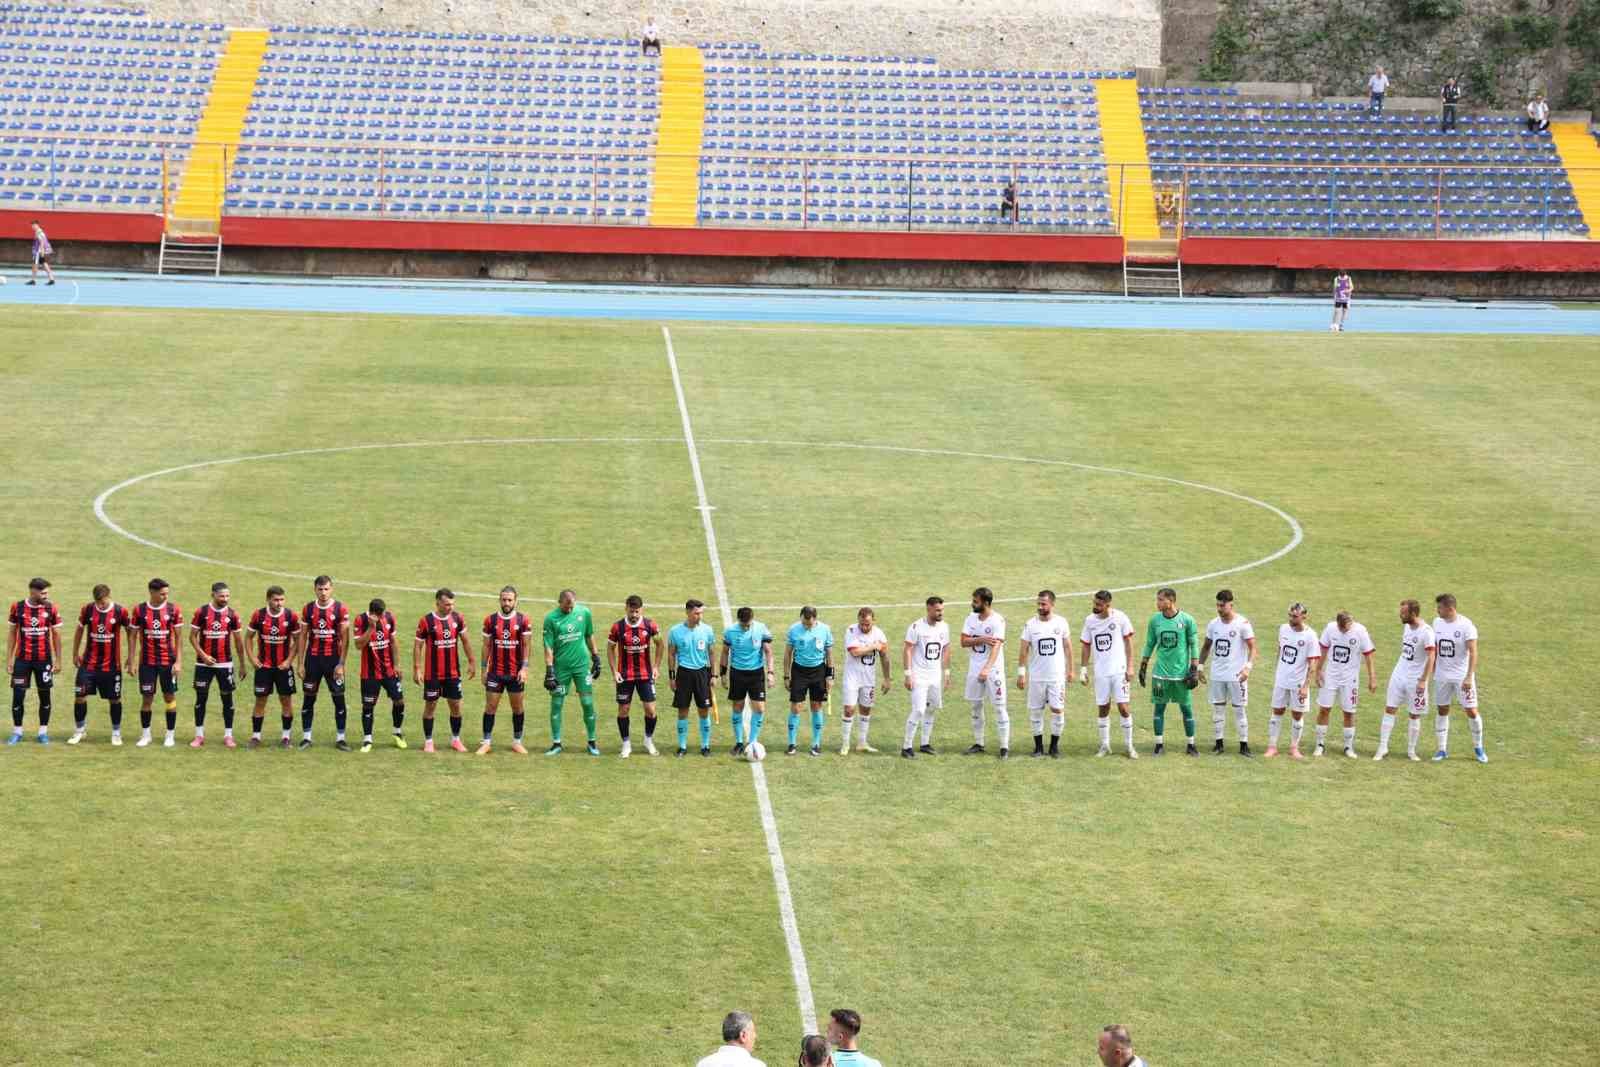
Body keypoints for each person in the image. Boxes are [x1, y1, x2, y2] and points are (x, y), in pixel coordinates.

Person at [413, 588, 476, 754]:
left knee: (455, 706)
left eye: (452, 604)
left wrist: (471, 661)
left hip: (453, 673)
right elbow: (418, 645)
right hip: (432, 674)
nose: (451, 607)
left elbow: (466, 641)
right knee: (430, 706)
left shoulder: (458, 618)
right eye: (447, 604)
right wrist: (417, 668)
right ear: (438, 603)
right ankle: (428, 741)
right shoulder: (426, 621)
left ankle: (456, 739)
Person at [1138, 587, 1200, 756]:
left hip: (1181, 675)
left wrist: (1194, 668)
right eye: (1157, 599)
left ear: (1170, 601)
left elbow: (1193, 644)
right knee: (1159, 708)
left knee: (1186, 709)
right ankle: (1158, 745)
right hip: (1160, 675)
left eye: (1160, 599)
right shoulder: (1155, 620)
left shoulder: (1187, 620)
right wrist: (1143, 665)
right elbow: (1150, 643)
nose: (1157, 603)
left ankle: (1191, 744)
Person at [541, 588, 601, 756]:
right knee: (557, 704)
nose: (569, 609)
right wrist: (549, 670)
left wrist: (596, 657)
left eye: (572, 606)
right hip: (561, 669)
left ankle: (592, 742)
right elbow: (548, 647)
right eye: (567, 607)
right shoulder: (551, 619)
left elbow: (589, 635)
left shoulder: (584, 612)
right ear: (559, 602)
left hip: (582, 667)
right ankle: (556, 743)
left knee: (588, 703)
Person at [1375, 598, 1435, 761]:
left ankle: (1411, 751)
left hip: (1415, 679)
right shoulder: (1407, 627)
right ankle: (1382, 747)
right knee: (1390, 708)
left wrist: (1423, 680)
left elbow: (1431, 657)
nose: (1400, 615)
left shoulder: (1426, 632)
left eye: (1403, 613)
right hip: (1399, 674)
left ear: (1413, 613)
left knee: (1414, 714)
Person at [187, 581, 245, 748]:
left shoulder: (232, 615)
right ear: (212, 594)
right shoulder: (202, 612)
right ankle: (199, 736)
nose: (225, 599)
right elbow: (192, 637)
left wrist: (241, 664)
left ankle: (228, 735)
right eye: (222, 596)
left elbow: (238, 642)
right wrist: (203, 656)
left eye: (227, 596)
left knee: (227, 699)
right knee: (201, 699)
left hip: (225, 664)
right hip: (203, 665)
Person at [1081, 589, 1137, 758]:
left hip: (1119, 671)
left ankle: (1129, 746)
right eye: (1094, 603)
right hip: (1101, 672)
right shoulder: (1090, 621)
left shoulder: (1120, 618)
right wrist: (1083, 669)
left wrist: (1130, 667)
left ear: (1107, 605)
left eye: (1099, 604)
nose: (1095, 607)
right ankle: (1105, 745)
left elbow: (1128, 643)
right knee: (1103, 708)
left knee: (1123, 707)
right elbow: (1086, 645)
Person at [128, 578, 183, 749]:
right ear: (152, 592)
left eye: (167, 593)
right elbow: (133, 636)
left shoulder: (173, 610)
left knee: (169, 697)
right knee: (147, 699)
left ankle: (170, 735)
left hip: (168, 662)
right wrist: (131, 661)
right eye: (162, 594)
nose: (166, 596)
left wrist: (179, 661)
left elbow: (179, 638)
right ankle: (146, 735)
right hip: (147, 663)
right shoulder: (139, 610)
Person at [1198, 588, 1254, 756]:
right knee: (1218, 710)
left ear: (1231, 604)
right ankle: (1218, 744)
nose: (1219, 609)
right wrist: (1200, 667)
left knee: (1239, 710)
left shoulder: (1242, 624)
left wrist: (1247, 667)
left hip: (1237, 676)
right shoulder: (1213, 624)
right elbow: (1206, 646)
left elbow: (1253, 648)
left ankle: (1244, 745)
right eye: (1218, 605)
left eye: (1223, 605)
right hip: (1217, 675)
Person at [70, 584, 129, 745]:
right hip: (88, 664)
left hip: (111, 666)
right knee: (80, 696)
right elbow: (79, 630)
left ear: (109, 596)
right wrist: (75, 653)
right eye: (98, 602)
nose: (100, 605)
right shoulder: (88, 609)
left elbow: (131, 631)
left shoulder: (120, 611)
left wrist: (131, 657)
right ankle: (79, 731)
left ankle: (116, 733)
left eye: (103, 602)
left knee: (114, 700)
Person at [7, 577, 63, 745]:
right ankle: (17, 732)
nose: (46, 596)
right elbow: (12, 634)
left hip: (43, 660)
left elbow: (57, 635)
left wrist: (58, 660)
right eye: (43, 593)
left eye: (47, 592)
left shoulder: (51, 609)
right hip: (22, 660)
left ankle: (43, 732)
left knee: (44, 696)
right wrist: (9, 659)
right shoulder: (17, 607)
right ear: (33, 591)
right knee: (18, 695)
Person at [478, 586, 532, 755]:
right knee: (490, 707)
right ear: (499, 600)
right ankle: (486, 742)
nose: (506, 603)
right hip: (495, 672)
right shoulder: (490, 620)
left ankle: (517, 742)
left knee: (517, 708)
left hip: (516, 673)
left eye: (510, 600)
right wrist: (483, 668)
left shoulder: (523, 620)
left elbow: (526, 645)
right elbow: (486, 645)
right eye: (504, 599)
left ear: (516, 601)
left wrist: (524, 668)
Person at [1430, 593, 1485, 763]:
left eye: (1440, 608)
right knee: (1442, 709)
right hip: (1441, 676)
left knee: (1471, 710)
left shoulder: (1466, 626)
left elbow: (1474, 652)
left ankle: (1478, 748)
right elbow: (1435, 648)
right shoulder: (1436, 623)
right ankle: (1441, 749)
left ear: (1450, 608)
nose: (1437, 611)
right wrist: (1432, 670)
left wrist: (1469, 677)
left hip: (1461, 677)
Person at [298, 576, 351, 750]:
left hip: (333, 661)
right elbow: (303, 636)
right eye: (320, 589)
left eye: (326, 589)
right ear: (315, 589)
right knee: (309, 698)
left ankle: (341, 738)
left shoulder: (340, 608)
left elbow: (345, 638)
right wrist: (300, 664)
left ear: (332, 589)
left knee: (338, 699)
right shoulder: (308, 609)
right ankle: (306, 738)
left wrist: (341, 664)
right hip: (312, 660)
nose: (323, 593)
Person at [609, 594, 664, 758]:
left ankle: (648, 740)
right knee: (623, 710)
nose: (634, 615)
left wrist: (656, 666)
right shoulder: (617, 627)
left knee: (650, 710)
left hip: (645, 675)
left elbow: (660, 644)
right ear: (626, 608)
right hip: (625, 676)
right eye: (631, 612)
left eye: (637, 612)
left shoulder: (650, 625)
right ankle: (626, 744)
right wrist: (614, 671)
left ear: (642, 610)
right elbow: (610, 649)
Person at [245, 585, 301, 748]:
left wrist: (289, 660)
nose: (279, 603)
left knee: (286, 701)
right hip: (264, 668)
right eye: (276, 600)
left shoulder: (291, 616)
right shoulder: (259, 615)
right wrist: (252, 658)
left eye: (282, 599)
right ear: (268, 599)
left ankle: (286, 737)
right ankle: (256, 737)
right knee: (260, 701)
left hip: (283, 668)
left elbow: (298, 640)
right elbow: (248, 637)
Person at [1314, 610, 1375, 758]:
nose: (1343, 630)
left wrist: (1372, 677)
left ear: (1350, 623)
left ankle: (1348, 747)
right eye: (1341, 628)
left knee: (1349, 712)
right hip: (1330, 676)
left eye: (1346, 628)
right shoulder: (1330, 628)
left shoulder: (1360, 631)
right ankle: (1320, 744)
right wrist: (1318, 670)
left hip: (1350, 679)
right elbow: (1323, 649)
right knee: (1324, 709)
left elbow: (1368, 654)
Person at [1018, 589, 1071, 758]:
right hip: (1037, 677)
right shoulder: (1030, 625)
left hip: (1056, 677)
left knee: (1057, 710)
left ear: (1052, 604)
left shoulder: (1061, 623)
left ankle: (1054, 747)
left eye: (1043, 604)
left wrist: (1071, 670)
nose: (1040, 607)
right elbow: (1024, 650)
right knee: (1035, 712)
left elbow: (1067, 646)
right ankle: (1038, 747)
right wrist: (1021, 673)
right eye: (1038, 604)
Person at [1266, 602, 1322, 759]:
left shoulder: (1310, 636)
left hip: (1298, 683)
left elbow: (1313, 663)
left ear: (1304, 616)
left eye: (1295, 616)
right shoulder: (1283, 629)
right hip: (1281, 680)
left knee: (1297, 715)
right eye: (1290, 615)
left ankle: (1294, 748)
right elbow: (1280, 649)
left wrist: (1305, 686)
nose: (1291, 619)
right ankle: (1272, 747)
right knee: (1277, 712)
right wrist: (1278, 670)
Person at [961, 586, 1009, 757]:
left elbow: (996, 646)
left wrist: (987, 668)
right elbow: (963, 641)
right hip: (974, 669)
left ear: (986, 603)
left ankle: (1004, 747)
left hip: (993, 671)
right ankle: (979, 743)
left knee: (999, 707)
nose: (972, 604)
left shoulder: (998, 620)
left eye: (975, 601)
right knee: (975, 706)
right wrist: (980, 639)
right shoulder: (971, 618)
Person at [353, 598, 404, 752]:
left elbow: (393, 642)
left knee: (399, 701)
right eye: (379, 615)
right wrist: (371, 628)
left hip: (389, 671)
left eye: (383, 614)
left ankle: (397, 733)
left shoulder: (389, 618)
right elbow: (358, 645)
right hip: (369, 674)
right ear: (372, 613)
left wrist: (397, 665)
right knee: (368, 706)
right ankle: (367, 740)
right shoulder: (360, 620)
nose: (382, 617)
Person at [901, 595, 950, 758]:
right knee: (919, 710)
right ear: (928, 609)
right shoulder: (916, 627)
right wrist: (908, 674)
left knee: (932, 708)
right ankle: (906, 746)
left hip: (935, 676)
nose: (940, 613)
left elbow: (946, 649)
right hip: (919, 676)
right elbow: (907, 650)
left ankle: (925, 743)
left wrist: (946, 672)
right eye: (937, 610)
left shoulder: (944, 627)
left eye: (942, 610)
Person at [668, 598, 718, 756]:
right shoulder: (675, 631)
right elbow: (671, 654)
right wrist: (671, 676)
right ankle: (682, 746)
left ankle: (705, 746)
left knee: (704, 710)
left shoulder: (707, 630)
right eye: (697, 613)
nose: (700, 616)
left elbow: (711, 653)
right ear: (688, 612)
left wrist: (714, 675)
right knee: (683, 710)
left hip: (702, 673)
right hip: (684, 674)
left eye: (701, 613)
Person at [722, 604, 773, 756]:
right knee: (737, 707)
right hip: (737, 673)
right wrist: (723, 674)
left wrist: (770, 672)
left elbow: (768, 652)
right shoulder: (730, 631)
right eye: (743, 624)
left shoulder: (761, 628)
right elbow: (725, 653)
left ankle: (752, 741)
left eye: (748, 624)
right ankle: (738, 742)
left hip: (756, 674)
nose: (746, 627)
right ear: (739, 620)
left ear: (752, 619)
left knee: (759, 708)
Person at [840, 607, 891, 755]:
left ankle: (862, 743)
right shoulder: (851, 630)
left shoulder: (880, 634)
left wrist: (887, 678)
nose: (864, 627)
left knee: (866, 709)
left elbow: (884, 657)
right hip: (852, 677)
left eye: (867, 624)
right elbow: (854, 652)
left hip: (868, 678)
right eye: (862, 624)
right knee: (849, 709)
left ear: (873, 621)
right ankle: (845, 744)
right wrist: (873, 646)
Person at [785, 605, 834, 756]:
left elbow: (829, 654)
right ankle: (792, 743)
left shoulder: (825, 629)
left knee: (816, 706)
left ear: (815, 619)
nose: (806, 626)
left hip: (818, 671)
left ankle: (816, 743)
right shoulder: (793, 629)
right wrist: (786, 676)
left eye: (809, 623)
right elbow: (787, 655)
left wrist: (830, 676)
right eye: (804, 623)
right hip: (799, 671)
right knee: (796, 707)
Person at [696, 1010, 762, 1067]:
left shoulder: (703, 1064)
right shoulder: (756, 1065)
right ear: (743, 1035)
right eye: (753, 1032)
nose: (755, 1036)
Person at [28, 220, 55, 286]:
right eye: (32, 225)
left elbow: (42, 242)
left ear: (37, 225)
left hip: (39, 251)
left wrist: (42, 252)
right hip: (40, 251)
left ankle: (33, 280)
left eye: (34, 225)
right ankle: (51, 279)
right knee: (44, 264)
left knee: (35, 265)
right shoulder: (39, 232)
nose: (33, 227)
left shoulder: (38, 232)